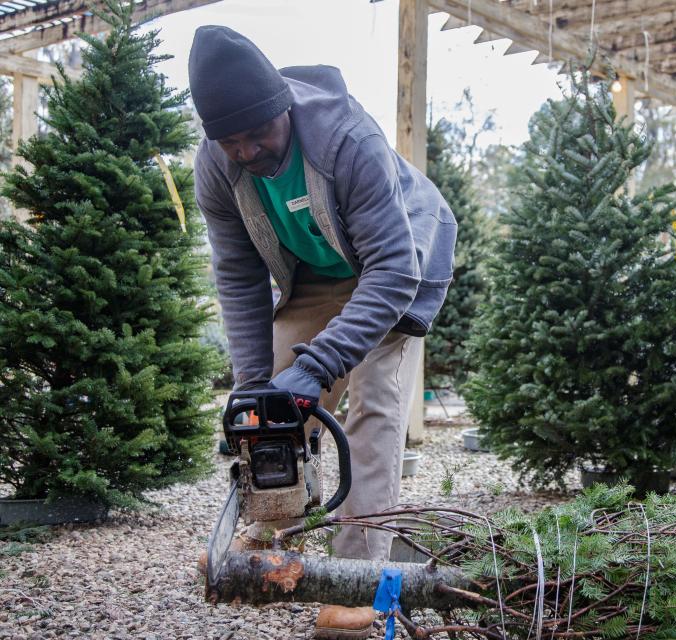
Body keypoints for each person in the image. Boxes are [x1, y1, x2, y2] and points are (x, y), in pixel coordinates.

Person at [188, 26, 456, 639]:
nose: (249, 151)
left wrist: (320, 366)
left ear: (285, 108)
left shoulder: (345, 137)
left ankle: (359, 581)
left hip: (392, 266)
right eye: (233, 143)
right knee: (271, 407)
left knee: (373, 407)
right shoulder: (216, 166)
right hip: (312, 273)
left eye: (260, 134)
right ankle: (270, 530)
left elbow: (392, 269)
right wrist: (255, 386)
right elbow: (238, 276)